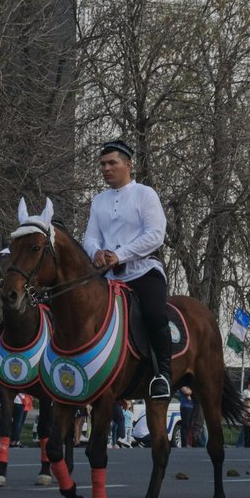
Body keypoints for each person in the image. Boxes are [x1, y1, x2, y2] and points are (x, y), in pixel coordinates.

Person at [82, 139, 174, 400]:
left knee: (156, 315)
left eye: (112, 163)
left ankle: (163, 375)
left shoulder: (145, 194)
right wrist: (96, 252)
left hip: (143, 272)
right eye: (102, 164)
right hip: (108, 278)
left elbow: (156, 234)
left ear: (128, 165)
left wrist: (119, 255)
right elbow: (89, 237)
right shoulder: (98, 201)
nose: (106, 168)